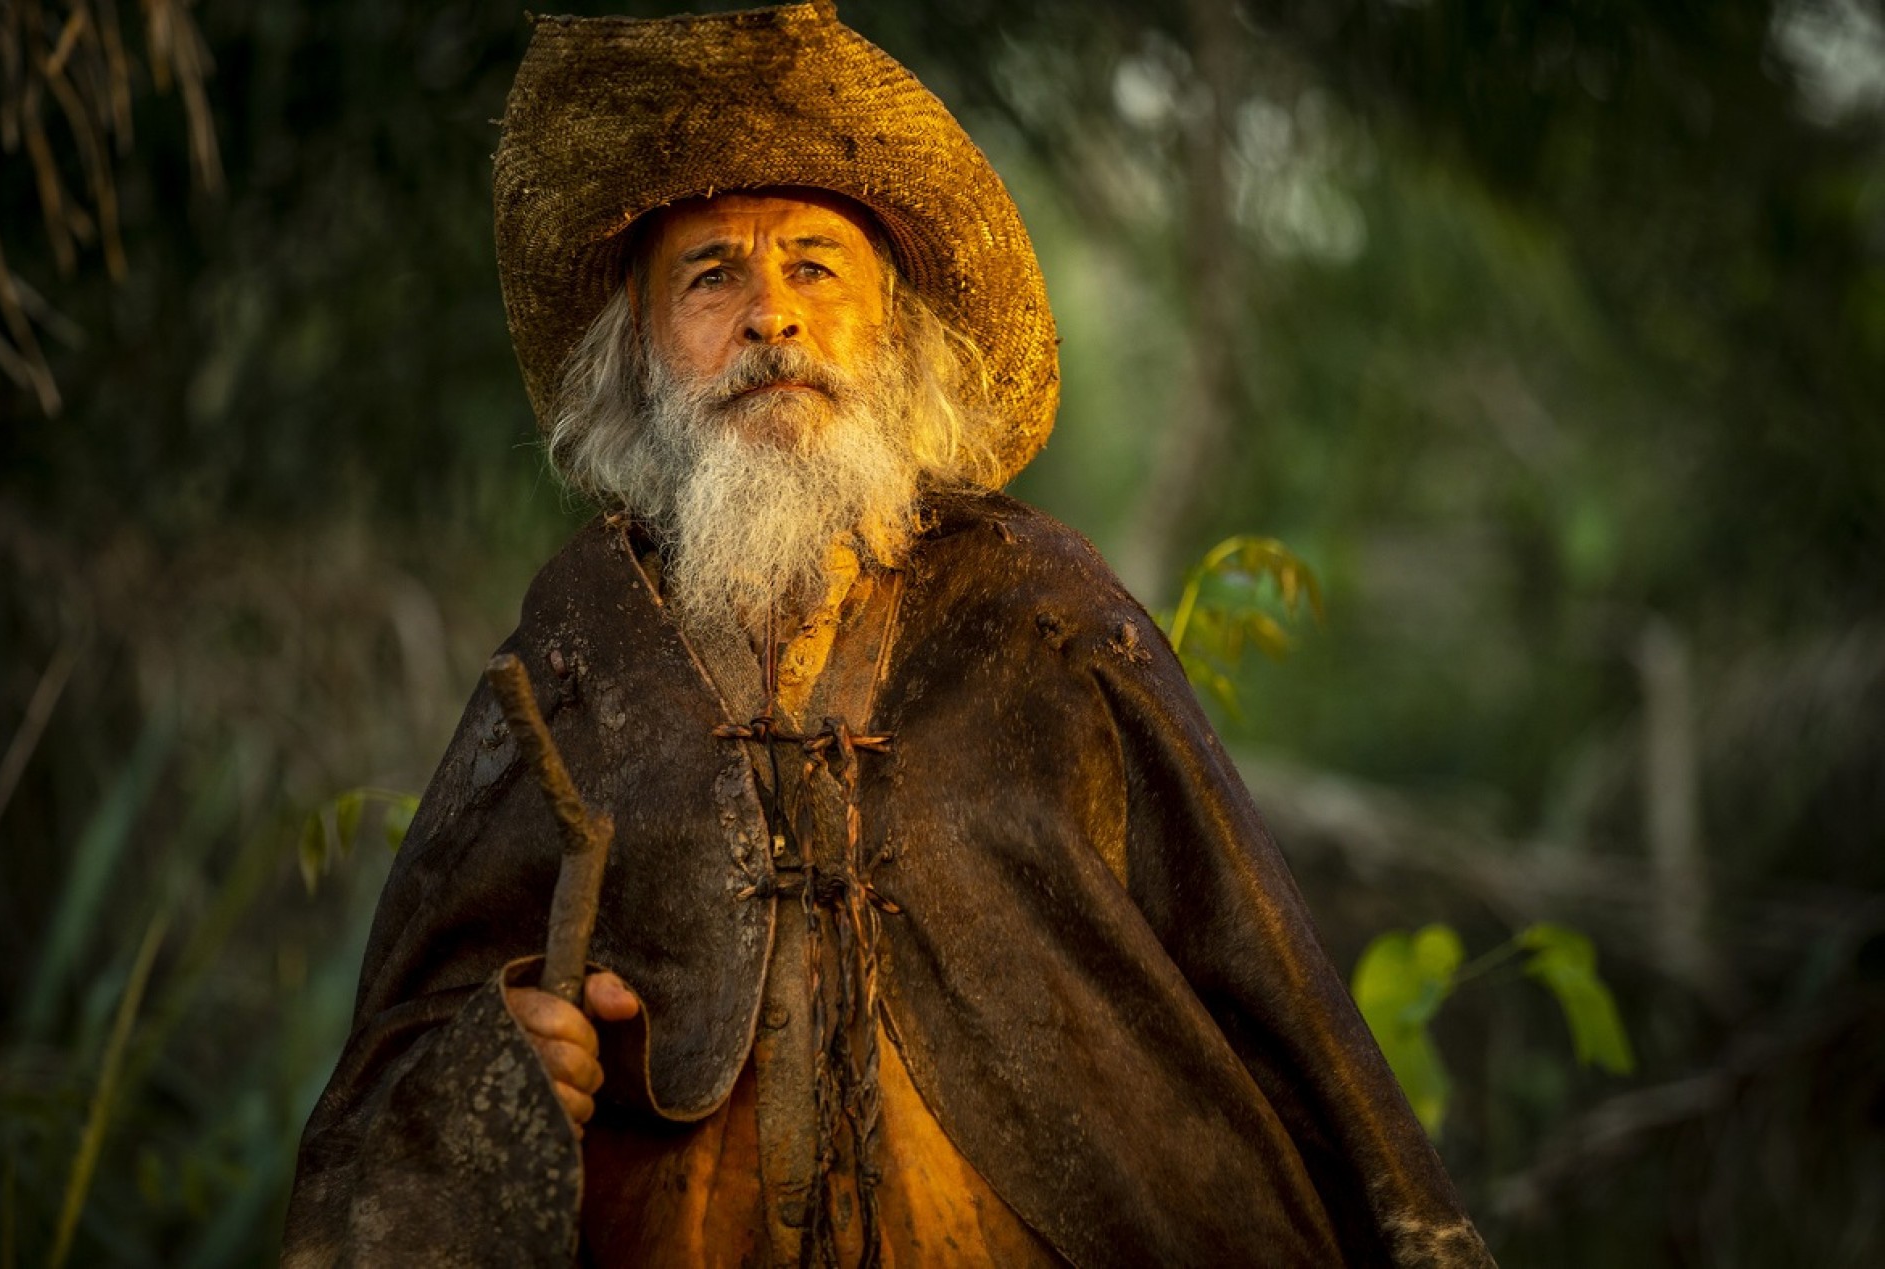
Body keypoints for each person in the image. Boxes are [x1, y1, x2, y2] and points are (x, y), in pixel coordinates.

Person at [283, 4, 1495, 1266]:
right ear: (637, 357)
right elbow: (390, 1075)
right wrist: (502, 1060)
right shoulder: (576, 650)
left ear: (896, 333)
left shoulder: (1045, 612)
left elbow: (1272, 995)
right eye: (711, 277)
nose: (772, 318)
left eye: (815, 265)